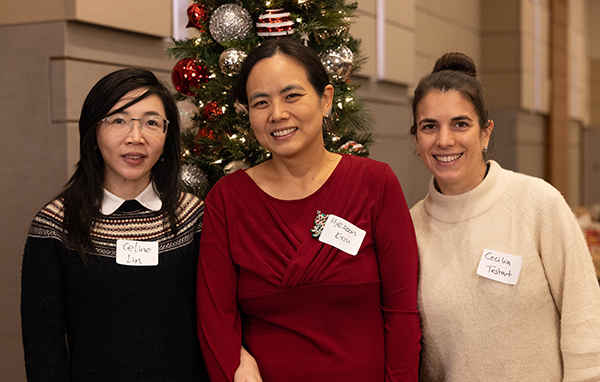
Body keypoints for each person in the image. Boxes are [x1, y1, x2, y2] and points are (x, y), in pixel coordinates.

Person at [196, 38, 421, 382]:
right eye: (261, 102)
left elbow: (401, 311)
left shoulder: (374, 184)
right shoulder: (228, 199)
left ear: (326, 99)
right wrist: (235, 364)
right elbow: (215, 315)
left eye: (292, 95)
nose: (277, 114)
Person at [410, 52, 600, 381]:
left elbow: (584, 319)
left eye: (460, 124)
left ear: (485, 133)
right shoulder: (410, 227)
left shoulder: (539, 203)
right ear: (416, 138)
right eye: (430, 127)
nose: (444, 140)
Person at [21, 68, 214, 381]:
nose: (135, 137)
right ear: (94, 133)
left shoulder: (195, 216)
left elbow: (216, 323)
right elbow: (45, 348)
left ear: (167, 137)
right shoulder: (55, 225)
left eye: (152, 123)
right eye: (118, 120)